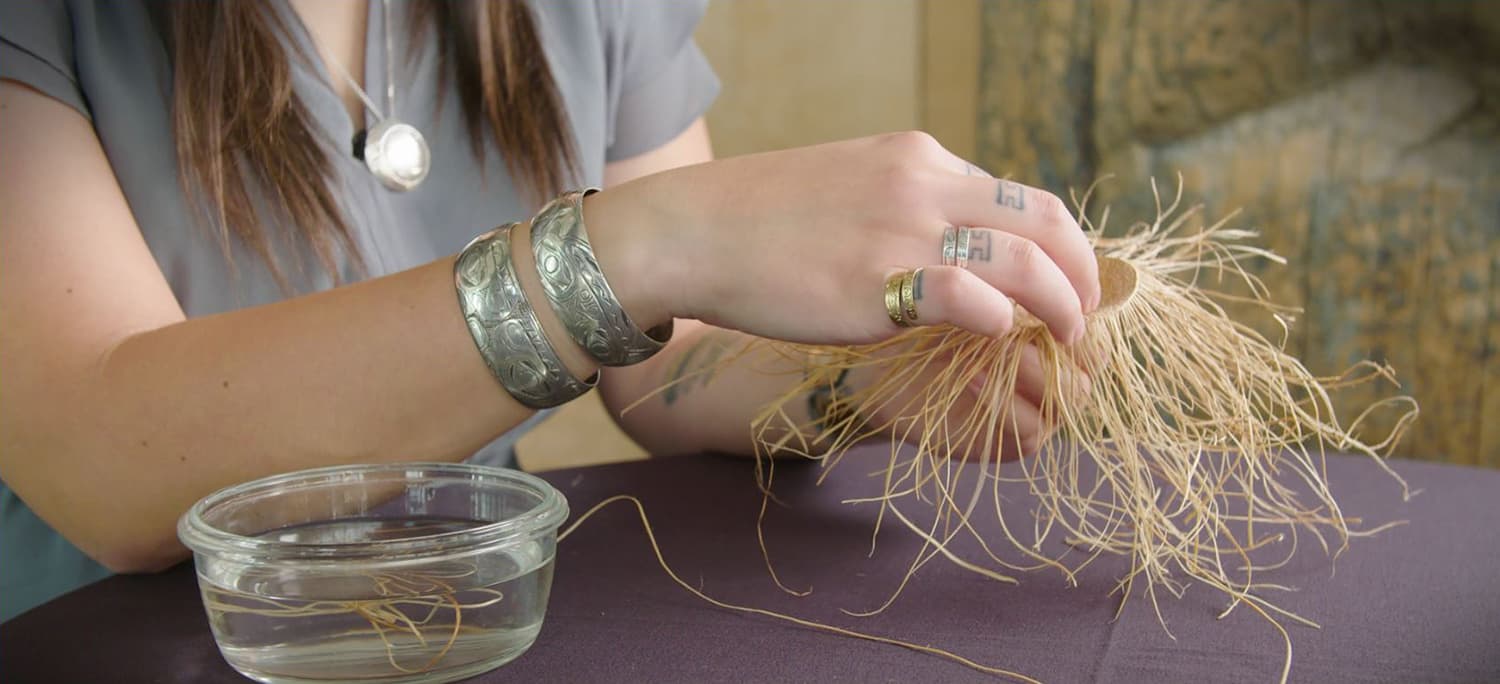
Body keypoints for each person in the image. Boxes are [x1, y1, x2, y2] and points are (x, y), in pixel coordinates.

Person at [0, 0, 1100, 623]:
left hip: (482, 618)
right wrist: (651, 243)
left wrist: (860, 378)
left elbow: (670, 363)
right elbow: (109, 462)